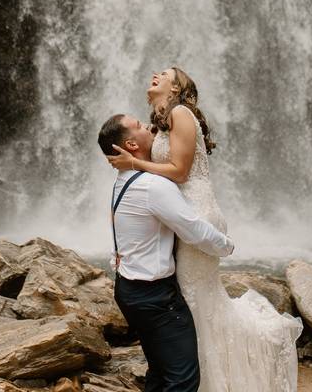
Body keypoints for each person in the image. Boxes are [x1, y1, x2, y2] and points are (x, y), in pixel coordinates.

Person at [107, 68, 302, 391]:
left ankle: (203, 379)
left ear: (177, 88)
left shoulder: (181, 113)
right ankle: (194, 376)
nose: (156, 73)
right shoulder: (162, 120)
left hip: (195, 210)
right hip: (176, 212)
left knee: (195, 301)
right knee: (191, 303)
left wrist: (135, 164)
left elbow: (180, 172)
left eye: (166, 73)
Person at [98, 113, 235, 392]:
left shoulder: (124, 181)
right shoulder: (153, 185)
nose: (148, 126)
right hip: (155, 297)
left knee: (160, 373)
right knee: (183, 380)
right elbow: (193, 229)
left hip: (128, 289)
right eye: (138, 126)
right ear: (131, 145)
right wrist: (227, 246)